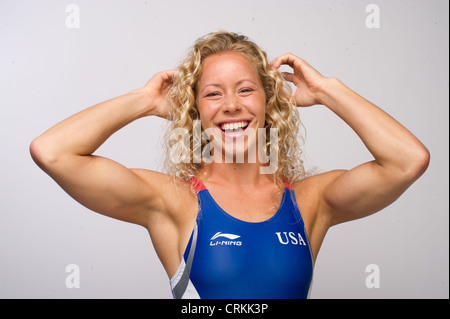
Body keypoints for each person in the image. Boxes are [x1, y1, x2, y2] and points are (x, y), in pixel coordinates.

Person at [30, 31, 430, 299]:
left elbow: (407, 161)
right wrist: (145, 101)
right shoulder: (173, 202)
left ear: (269, 102)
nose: (231, 106)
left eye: (245, 89)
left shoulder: (309, 201)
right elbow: (52, 152)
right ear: (195, 111)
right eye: (212, 94)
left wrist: (329, 90)